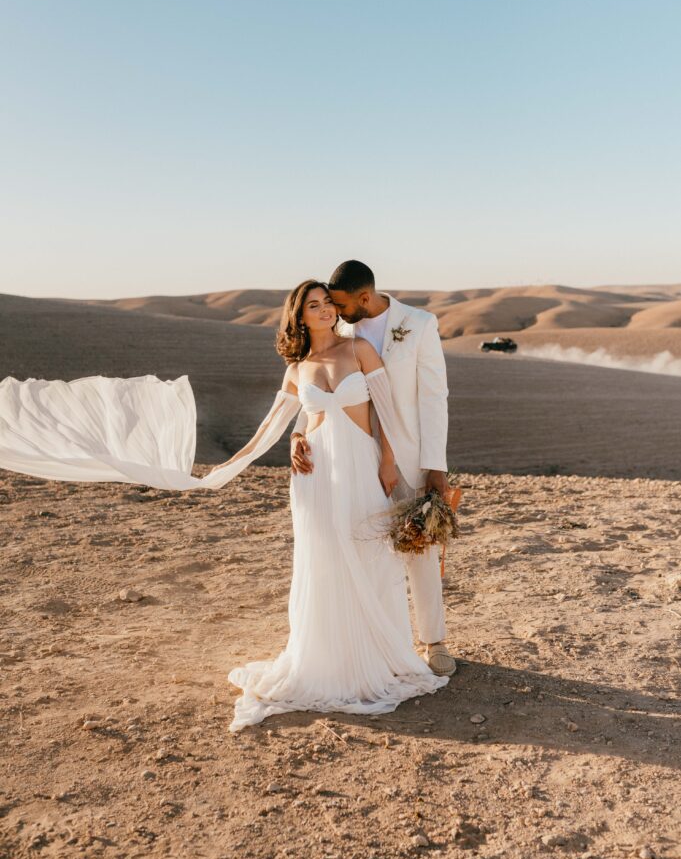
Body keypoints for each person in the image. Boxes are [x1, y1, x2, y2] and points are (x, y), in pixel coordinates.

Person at [0, 278, 449, 732]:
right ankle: (330, 662)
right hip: (318, 479)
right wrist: (240, 461)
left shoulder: (359, 352)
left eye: (328, 304)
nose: (326, 311)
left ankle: (379, 656)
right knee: (327, 563)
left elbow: (387, 413)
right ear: (299, 316)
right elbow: (276, 425)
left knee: (372, 559)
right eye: (314, 306)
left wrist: (389, 461)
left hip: (363, 467)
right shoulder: (297, 368)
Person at [290, 260, 457, 677]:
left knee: (420, 547)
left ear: (364, 298)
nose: (335, 311)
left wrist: (435, 465)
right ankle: (369, 644)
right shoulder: (338, 330)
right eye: (328, 305)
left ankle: (434, 643)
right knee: (355, 549)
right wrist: (297, 435)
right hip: (350, 459)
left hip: (409, 457)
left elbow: (435, 396)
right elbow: (313, 393)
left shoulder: (418, 324)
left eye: (340, 304)